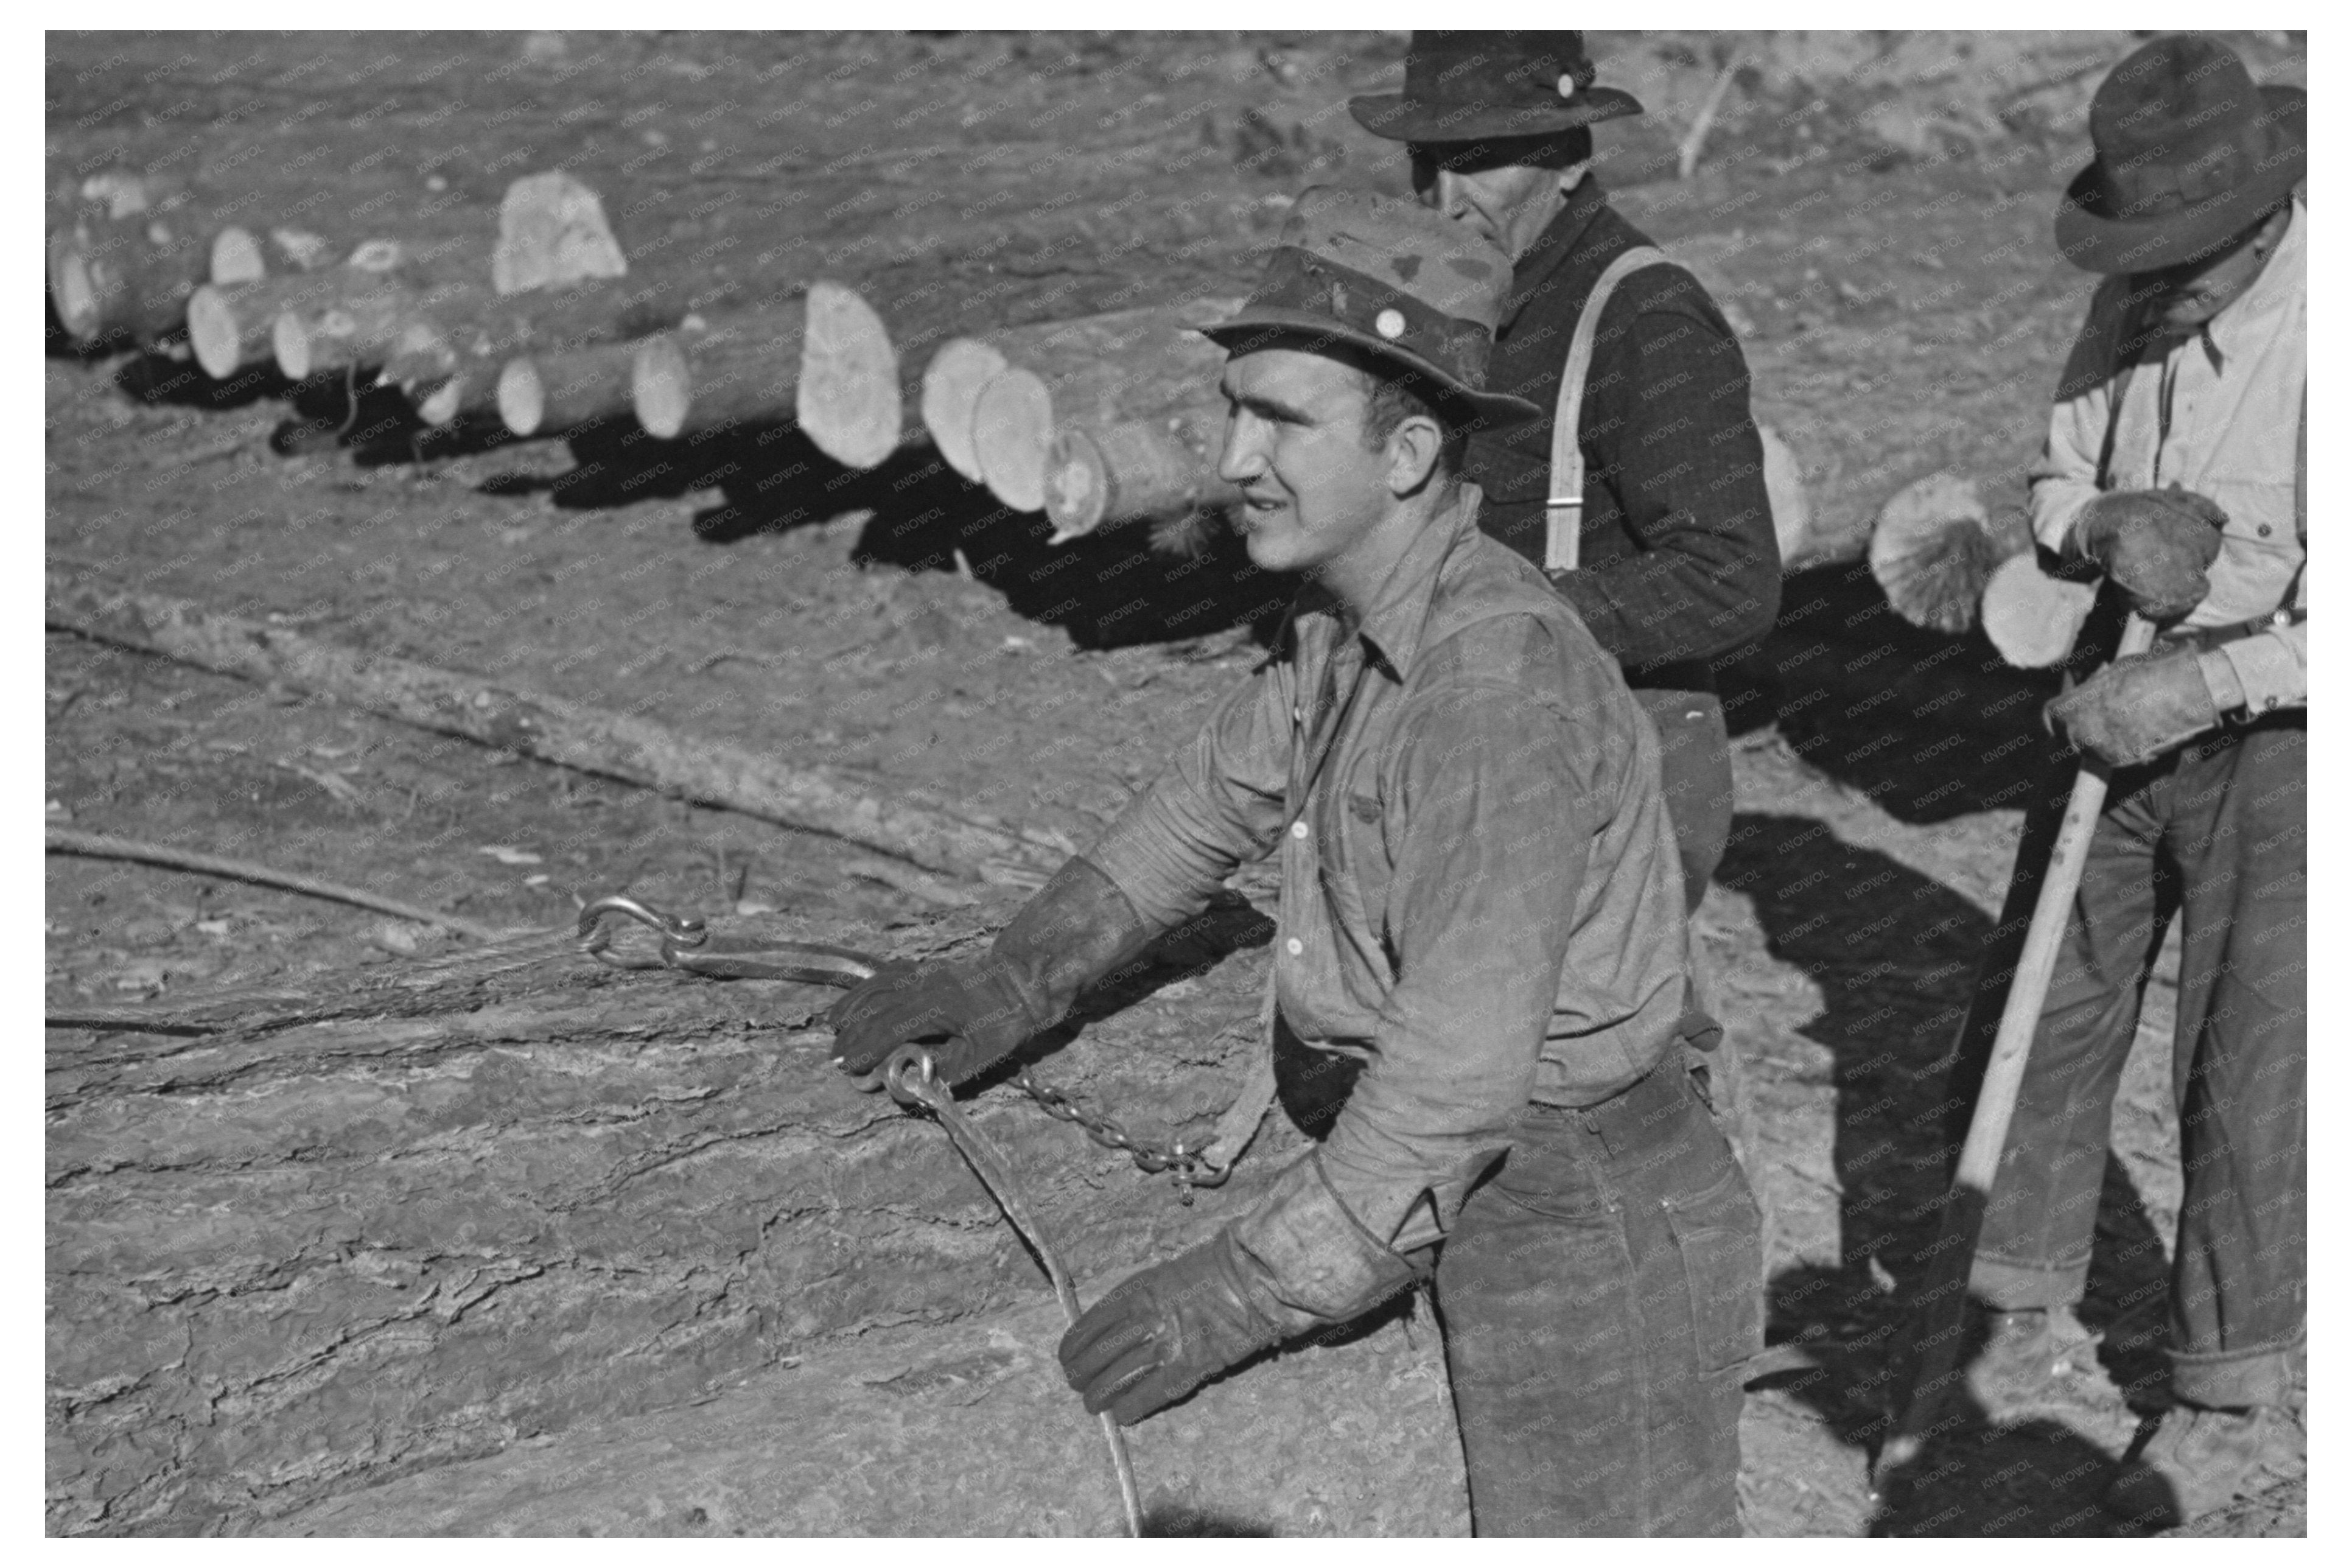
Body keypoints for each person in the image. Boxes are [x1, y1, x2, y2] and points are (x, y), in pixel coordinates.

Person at [828, 187, 1763, 1536]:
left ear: (1409, 453)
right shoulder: (1342, 626)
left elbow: (1457, 1080)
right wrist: (1017, 979)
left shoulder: (1488, 696)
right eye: (1233, 413)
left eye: (1280, 422)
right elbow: (1202, 809)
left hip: (1581, 1199)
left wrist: (1240, 1290)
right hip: (1493, 1160)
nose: (1234, 459)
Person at [1966, 34, 2305, 1528]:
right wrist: (2101, 523)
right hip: (2113, 684)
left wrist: (2206, 679)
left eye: (2187, 262)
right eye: (2139, 259)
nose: (2157, 289)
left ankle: (2227, 1389)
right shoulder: (2130, 301)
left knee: (2251, 1056)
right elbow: (2052, 479)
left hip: (2283, 722)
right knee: (2047, 1000)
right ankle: (2008, 1302)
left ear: (2262, 219)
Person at [1349, 31, 1783, 915]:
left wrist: (1509, 614)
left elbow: (1731, 581)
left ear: (1569, 159)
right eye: (1428, 162)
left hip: (1606, 768)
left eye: (1481, 162)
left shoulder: (1645, 320)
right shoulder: (1453, 299)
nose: (1445, 200)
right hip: (1454, 744)